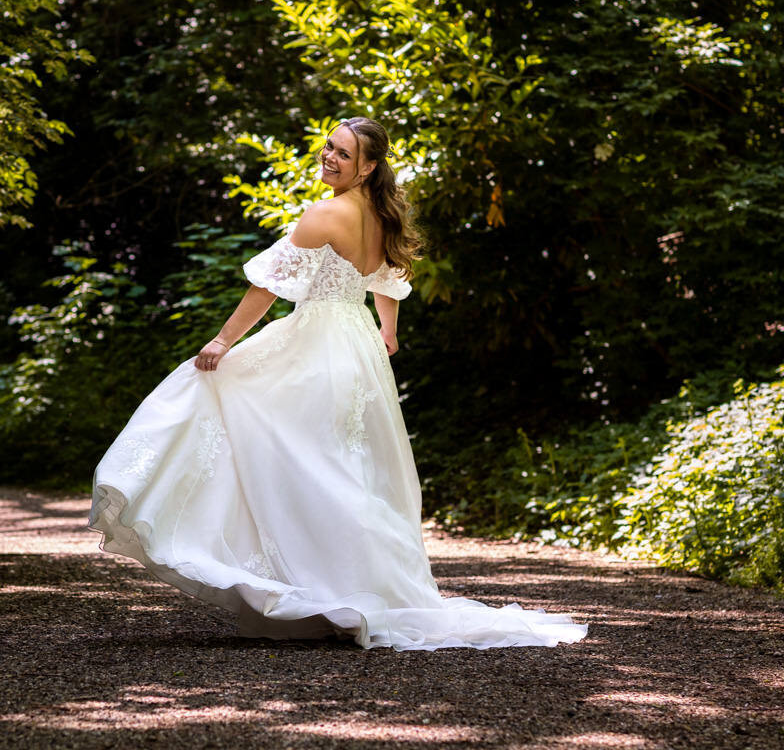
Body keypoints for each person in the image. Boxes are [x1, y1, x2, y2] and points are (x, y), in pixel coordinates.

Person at [87, 117, 588, 650]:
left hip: (318, 343)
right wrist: (387, 330)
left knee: (263, 427)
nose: (329, 157)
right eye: (329, 147)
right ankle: (334, 583)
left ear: (368, 165)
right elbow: (388, 280)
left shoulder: (325, 214)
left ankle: (311, 582)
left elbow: (268, 288)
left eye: (343, 154)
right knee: (337, 467)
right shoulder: (381, 214)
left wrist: (221, 341)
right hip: (357, 346)